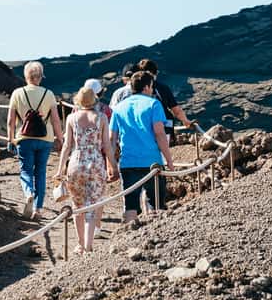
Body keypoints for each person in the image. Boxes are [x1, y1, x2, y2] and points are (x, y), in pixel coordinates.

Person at [55, 86, 118, 254]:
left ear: (78, 101)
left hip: (76, 163)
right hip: (96, 163)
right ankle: (89, 245)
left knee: (77, 205)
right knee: (93, 205)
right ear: (94, 100)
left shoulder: (71, 118)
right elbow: (107, 145)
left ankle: (80, 244)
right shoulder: (102, 118)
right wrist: (113, 166)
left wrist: (60, 169)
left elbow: (67, 145)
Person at [109, 71, 173, 224]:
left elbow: (111, 139)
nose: (152, 90)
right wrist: (169, 159)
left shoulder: (119, 108)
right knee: (156, 203)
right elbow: (160, 134)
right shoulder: (153, 104)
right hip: (152, 163)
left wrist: (111, 165)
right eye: (151, 86)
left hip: (128, 162)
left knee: (130, 205)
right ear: (146, 87)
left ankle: (131, 236)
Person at [7, 61, 64, 219]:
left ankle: (28, 194)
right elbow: (56, 120)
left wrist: (11, 138)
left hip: (24, 138)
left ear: (26, 76)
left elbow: (11, 120)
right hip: (45, 139)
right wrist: (60, 139)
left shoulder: (17, 93)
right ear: (40, 77)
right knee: (41, 172)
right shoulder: (49, 94)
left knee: (26, 170)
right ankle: (37, 209)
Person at [137, 58, 193, 142]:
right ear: (155, 73)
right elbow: (176, 110)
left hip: (143, 129)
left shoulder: (134, 90)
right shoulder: (162, 88)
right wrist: (186, 121)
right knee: (163, 153)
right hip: (164, 128)